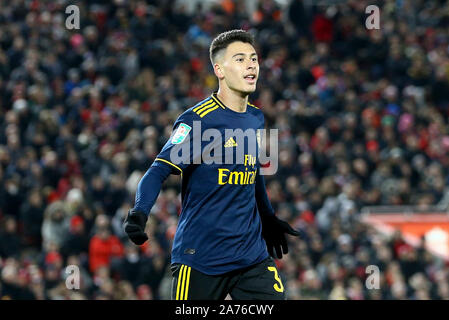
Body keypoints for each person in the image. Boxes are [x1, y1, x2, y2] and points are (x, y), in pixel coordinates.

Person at [124, 29, 300, 300]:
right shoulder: (198, 120)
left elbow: (252, 172)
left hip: (251, 258)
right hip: (200, 260)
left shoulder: (256, 117)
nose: (251, 64)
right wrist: (139, 212)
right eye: (240, 59)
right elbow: (158, 170)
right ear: (219, 69)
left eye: (253, 58)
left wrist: (267, 216)